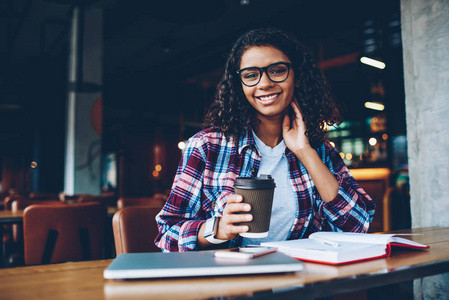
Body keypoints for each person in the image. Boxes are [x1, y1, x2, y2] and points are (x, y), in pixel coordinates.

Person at [155, 27, 375, 252]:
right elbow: (167, 235)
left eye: (277, 71)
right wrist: (218, 229)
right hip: (230, 282)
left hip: (299, 279)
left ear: (296, 77)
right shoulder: (206, 146)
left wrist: (305, 152)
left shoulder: (319, 149)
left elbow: (358, 227)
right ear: (240, 86)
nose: (264, 83)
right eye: (251, 75)